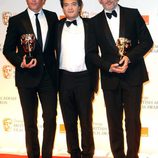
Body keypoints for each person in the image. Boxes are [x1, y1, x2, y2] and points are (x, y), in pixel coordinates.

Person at [86, 0, 153, 158]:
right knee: (114, 122)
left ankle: (132, 155)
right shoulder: (94, 22)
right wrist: (108, 66)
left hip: (133, 76)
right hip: (110, 78)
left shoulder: (133, 14)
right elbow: (90, 54)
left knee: (132, 121)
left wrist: (129, 58)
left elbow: (147, 42)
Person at [3, 0, 58, 158]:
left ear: (44, 1)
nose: (34, 0)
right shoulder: (16, 20)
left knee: (50, 119)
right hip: (26, 78)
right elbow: (7, 49)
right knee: (30, 121)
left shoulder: (52, 17)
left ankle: (47, 154)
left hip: (49, 77)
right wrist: (21, 62)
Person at [56, 0, 99, 157]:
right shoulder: (57, 26)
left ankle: (88, 153)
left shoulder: (91, 25)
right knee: (69, 121)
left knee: (86, 121)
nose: (70, 7)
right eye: (66, 4)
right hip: (64, 78)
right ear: (63, 8)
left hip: (84, 78)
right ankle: (73, 153)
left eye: (74, 4)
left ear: (80, 7)